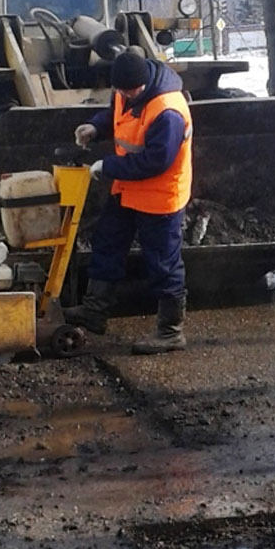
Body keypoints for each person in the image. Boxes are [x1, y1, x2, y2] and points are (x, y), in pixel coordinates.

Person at [66, 49, 192, 355]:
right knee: (107, 242)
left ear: (144, 82)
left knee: (163, 263)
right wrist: (96, 127)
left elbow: (155, 161)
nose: (126, 95)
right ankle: (94, 310)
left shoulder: (168, 111)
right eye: (122, 91)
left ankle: (170, 332)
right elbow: (118, 117)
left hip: (160, 197)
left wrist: (108, 166)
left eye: (132, 90)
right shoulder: (125, 91)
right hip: (128, 189)